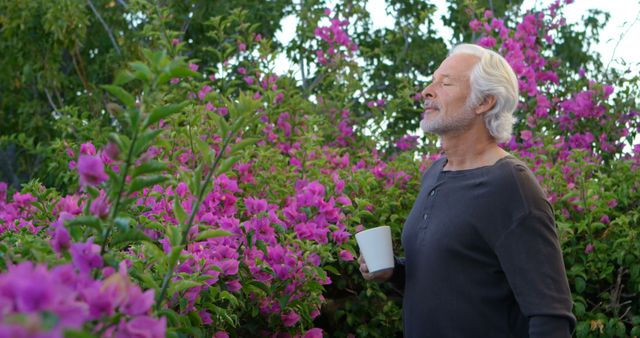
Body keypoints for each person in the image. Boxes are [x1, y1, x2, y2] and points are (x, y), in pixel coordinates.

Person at [358, 43, 576, 337]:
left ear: (483, 101)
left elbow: (551, 317)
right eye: (433, 80)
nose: (427, 90)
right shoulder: (436, 173)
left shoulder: (511, 185)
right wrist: (394, 272)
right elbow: (455, 279)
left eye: (445, 82)